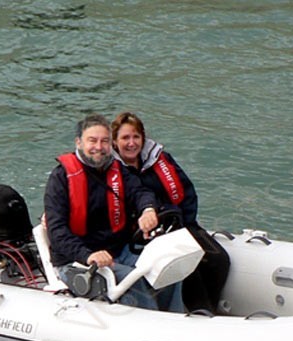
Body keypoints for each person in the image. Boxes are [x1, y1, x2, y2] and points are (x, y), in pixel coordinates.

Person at [44, 113, 183, 312]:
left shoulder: (116, 169)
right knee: (132, 280)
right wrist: (88, 255)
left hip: (118, 250)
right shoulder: (60, 178)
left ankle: (174, 316)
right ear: (79, 142)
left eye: (104, 141)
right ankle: (152, 320)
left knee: (168, 265)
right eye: (92, 141)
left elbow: (140, 192)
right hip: (78, 260)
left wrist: (147, 210)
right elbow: (57, 232)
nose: (99, 147)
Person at [111, 111, 230, 313]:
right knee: (187, 266)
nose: (131, 143)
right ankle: (198, 312)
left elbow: (187, 191)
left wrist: (186, 225)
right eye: (125, 138)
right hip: (141, 235)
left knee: (219, 260)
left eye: (136, 137)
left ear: (143, 138)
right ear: (115, 142)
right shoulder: (112, 172)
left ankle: (210, 308)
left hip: (177, 225)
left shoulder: (161, 159)